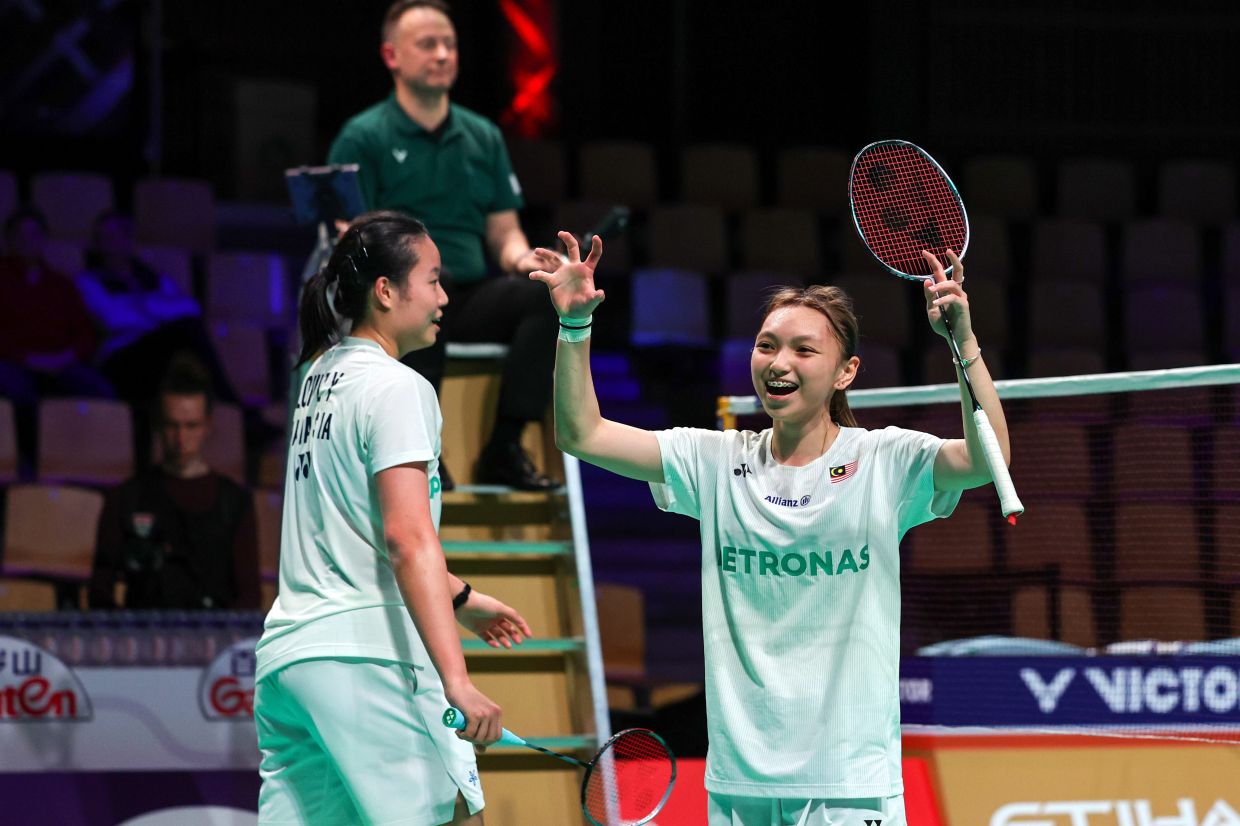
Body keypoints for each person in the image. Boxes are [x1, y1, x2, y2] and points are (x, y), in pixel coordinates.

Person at [532, 234, 1011, 825]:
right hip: (741, 779)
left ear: (846, 372)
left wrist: (961, 341)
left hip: (849, 779)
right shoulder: (714, 461)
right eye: (766, 346)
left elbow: (986, 461)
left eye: (803, 350)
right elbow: (582, 436)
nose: (779, 363)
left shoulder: (885, 461)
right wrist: (575, 328)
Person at [254, 210, 531, 825]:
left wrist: (459, 596)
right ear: (385, 290)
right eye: (432, 279)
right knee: (458, 815)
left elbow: (351, 529)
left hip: (290, 662)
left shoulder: (316, 381)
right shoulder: (400, 387)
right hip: (366, 657)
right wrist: (456, 680)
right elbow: (407, 539)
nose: (444, 296)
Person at [327, 0, 562, 490]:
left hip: (468, 292)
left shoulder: (483, 136)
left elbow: (503, 229)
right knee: (429, 283)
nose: (442, 55)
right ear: (391, 56)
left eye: (449, 45)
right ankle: (425, 445)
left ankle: (505, 445)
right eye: (427, 45)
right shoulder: (362, 136)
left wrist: (523, 259)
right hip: (398, 295)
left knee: (546, 297)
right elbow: (352, 239)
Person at [88, 357, 260, 610]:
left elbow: (249, 597)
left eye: (191, 426)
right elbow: (99, 593)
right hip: (143, 639)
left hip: (216, 642)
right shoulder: (126, 498)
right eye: (172, 426)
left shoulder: (235, 502)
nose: (181, 438)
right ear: (158, 424)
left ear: (208, 426)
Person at [75, 211, 238, 406]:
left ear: (130, 240)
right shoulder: (89, 280)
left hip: (158, 349)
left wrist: (143, 306)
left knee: (189, 332)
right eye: (106, 238)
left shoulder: (152, 277)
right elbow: (114, 319)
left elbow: (190, 308)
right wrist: (157, 308)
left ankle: (228, 409)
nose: (114, 244)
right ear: (98, 244)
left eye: (120, 236)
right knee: (182, 337)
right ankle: (233, 406)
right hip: (120, 357)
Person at [0, 208, 113, 475]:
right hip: (14, 361)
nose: (28, 241)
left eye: (35, 234)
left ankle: (96, 463)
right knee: (16, 390)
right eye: (21, 235)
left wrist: (67, 357)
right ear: (9, 240)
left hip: (61, 361)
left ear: (44, 239)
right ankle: (28, 462)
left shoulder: (61, 284)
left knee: (99, 390)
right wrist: (26, 358)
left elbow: (86, 334)